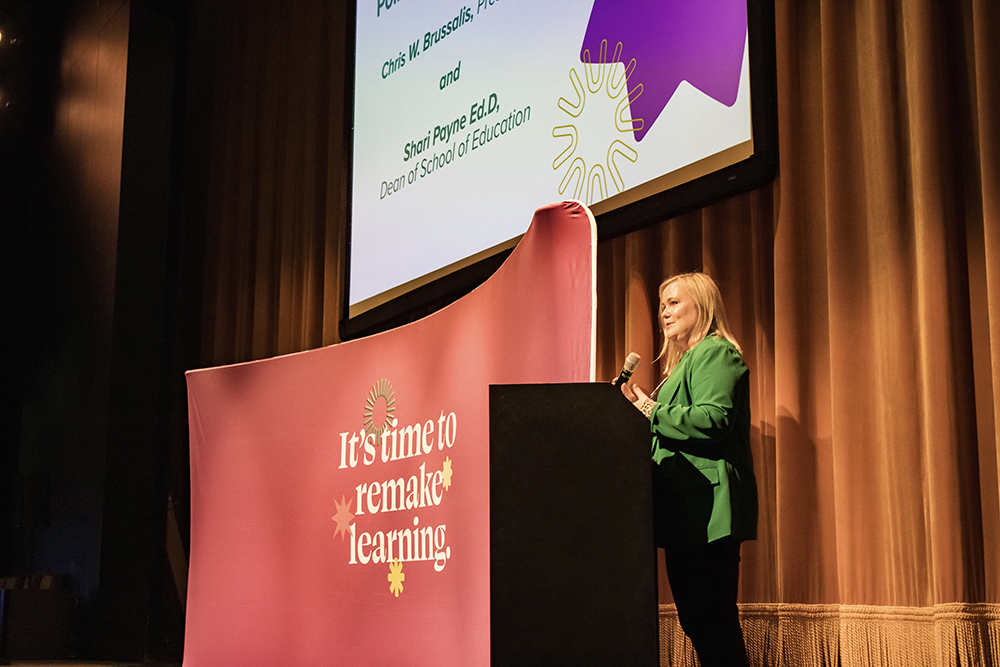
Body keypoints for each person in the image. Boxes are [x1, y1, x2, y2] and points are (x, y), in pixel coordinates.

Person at [620, 272, 757, 667]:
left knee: (713, 626)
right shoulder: (680, 368)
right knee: (700, 624)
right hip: (684, 513)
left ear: (704, 306)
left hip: (707, 510)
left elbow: (712, 418)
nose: (664, 312)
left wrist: (647, 409)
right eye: (662, 305)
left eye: (675, 303)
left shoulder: (716, 352)